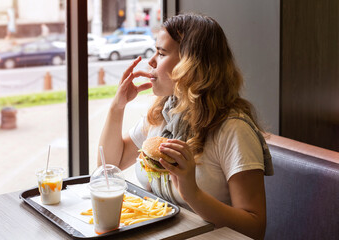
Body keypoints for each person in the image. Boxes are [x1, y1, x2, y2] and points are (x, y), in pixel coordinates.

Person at [99, 13, 273, 240]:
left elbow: (255, 228)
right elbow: (110, 164)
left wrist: (193, 193)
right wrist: (116, 108)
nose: (151, 62)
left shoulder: (234, 130)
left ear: (191, 64)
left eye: (161, 53)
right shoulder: (165, 112)